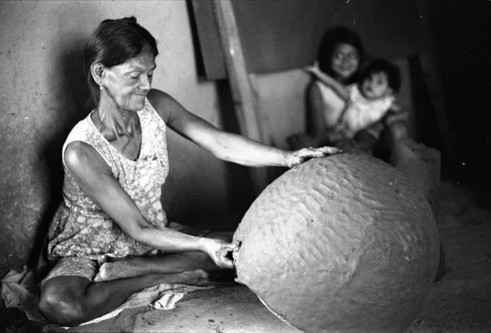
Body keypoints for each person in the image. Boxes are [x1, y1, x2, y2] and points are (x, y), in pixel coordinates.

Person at [37, 17, 340, 326]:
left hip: (155, 241)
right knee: (60, 305)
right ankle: (151, 275)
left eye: (150, 73)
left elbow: (219, 143)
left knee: (250, 248)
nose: (147, 85)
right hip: (91, 251)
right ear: (101, 73)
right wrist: (202, 245)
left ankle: (142, 269)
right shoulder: (82, 150)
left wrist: (288, 158)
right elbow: (138, 227)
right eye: (134, 75)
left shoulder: (155, 107)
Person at [287, 26, 407, 157]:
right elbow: (318, 131)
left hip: (367, 139)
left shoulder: (363, 87)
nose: (346, 61)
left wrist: (386, 122)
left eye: (352, 55)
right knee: (324, 142)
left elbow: (396, 114)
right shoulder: (324, 88)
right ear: (328, 56)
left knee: (396, 129)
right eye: (339, 55)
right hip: (340, 138)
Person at [306, 58, 407, 155]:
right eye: (369, 78)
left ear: (388, 91)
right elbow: (335, 85)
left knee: (360, 147)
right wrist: (318, 73)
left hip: (368, 137)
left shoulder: (384, 102)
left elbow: (405, 112)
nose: (371, 83)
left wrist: (393, 117)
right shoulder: (355, 94)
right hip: (345, 132)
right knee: (324, 140)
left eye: (379, 82)